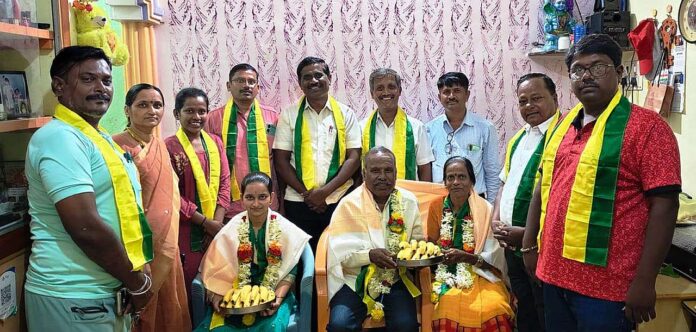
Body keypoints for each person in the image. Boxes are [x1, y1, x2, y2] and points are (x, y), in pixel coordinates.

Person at [522, 34, 681, 331]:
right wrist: (530, 247)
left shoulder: (647, 128)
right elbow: (542, 188)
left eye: (598, 67)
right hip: (554, 275)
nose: (586, 76)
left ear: (619, 73)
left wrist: (645, 281)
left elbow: (665, 205)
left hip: (607, 288)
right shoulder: (563, 125)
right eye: (578, 70)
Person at [24, 45, 152, 332]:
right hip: (72, 294)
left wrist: (136, 271)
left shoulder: (98, 137)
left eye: (106, 81)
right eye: (87, 79)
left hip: (102, 292)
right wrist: (136, 282)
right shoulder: (59, 138)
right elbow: (85, 226)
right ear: (59, 86)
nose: (101, 88)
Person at [113, 84, 192, 332]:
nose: (152, 111)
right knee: (141, 314)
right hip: (136, 248)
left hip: (165, 246)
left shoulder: (159, 145)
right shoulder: (116, 146)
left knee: (169, 310)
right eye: (143, 105)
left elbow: (171, 197)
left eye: (157, 105)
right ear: (127, 110)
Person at [193, 172, 311, 331]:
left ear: (272, 197)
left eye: (262, 197)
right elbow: (218, 269)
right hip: (235, 293)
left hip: (274, 291)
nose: (256, 204)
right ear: (242, 199)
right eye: (250, 197)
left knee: (271, 327)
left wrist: (278, 299)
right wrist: (217, 298)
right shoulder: (232, 228)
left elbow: (290, 270)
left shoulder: (284, 228)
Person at [491, 73, 560, 332]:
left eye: (536, 98)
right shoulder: (519, 138)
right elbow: (504, 183)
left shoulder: (562, 136)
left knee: (546, 312)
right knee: (526, 309)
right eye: (523, 101)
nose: (529, 106)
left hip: (541, 247)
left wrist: (529, 236)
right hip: (512, 245)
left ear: (555, 97)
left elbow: (561, 198)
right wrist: (496, 219)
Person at [326, 146, 423, 332]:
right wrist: (369, 256)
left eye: (388, 170)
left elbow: (416, 243)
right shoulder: (349, 204)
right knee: (340, 325)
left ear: (396, 173)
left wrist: (412, 259)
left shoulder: (408, 201)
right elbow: (340, 255)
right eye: (375, 171)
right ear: (364, 174)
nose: (383, 177)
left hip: (396, 278)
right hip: (355, 281)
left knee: (406, 326)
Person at [273, 56, 361, 251]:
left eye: (318, 75)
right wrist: (309, 195)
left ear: (329, 78)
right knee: (305, 259)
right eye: (307, 77)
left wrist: (325, 192)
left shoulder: (346, 114)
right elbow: (281, 160)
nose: (313, 81)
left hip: (338, 198)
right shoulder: (289, 115)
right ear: (300, 84)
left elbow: (354, 158)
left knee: (340, 255)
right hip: (298, 202)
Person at [427, 156, 513, 331]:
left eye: (461, 176)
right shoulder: (436, 207)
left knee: (495, 307)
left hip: (481, 273)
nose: (456, 182)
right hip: (444, 275)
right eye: (450, 177)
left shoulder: (486, 210)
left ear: (472, 181)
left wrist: (468, 257)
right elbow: (430, 246)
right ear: (445, 182)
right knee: (444, 308)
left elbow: (495, 258)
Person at [165, 87, 231, 311]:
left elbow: (224, 182)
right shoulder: (169, 147)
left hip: (216, 228)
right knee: (191, 287)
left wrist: (216, 225)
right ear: (177, 114)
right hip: (187, 230)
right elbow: (174, 194)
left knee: (220, 284)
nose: (196, 117)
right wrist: (205, 223)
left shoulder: (215, 142)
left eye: (202, 111)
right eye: (189, 111)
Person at [204, 63, 280, 218]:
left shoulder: (272, 117)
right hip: (228, 205)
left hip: (267, 201)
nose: (246, 85)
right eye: (240, 81)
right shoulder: (213, 118)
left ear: (258, 87)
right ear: (228, 86)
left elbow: (280, 159)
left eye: (251, 81)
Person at [426, 72, 500, 203]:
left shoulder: (485, 128)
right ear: (439, 97)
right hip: (439, 201)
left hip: (475, 200)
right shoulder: (429, 129)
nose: (451, 96)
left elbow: (492, 172)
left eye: (457, 91)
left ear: (467, 95)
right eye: (446, 92)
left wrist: (491, 209)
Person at [361, 68, 434, 181]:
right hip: (371, 197)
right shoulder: (361, 128)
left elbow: (424, 169)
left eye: (391, 87)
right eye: (380, 88)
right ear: (372, 93)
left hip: (408, 197)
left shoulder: (416, 127)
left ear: (399, 90)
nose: (386, 92)